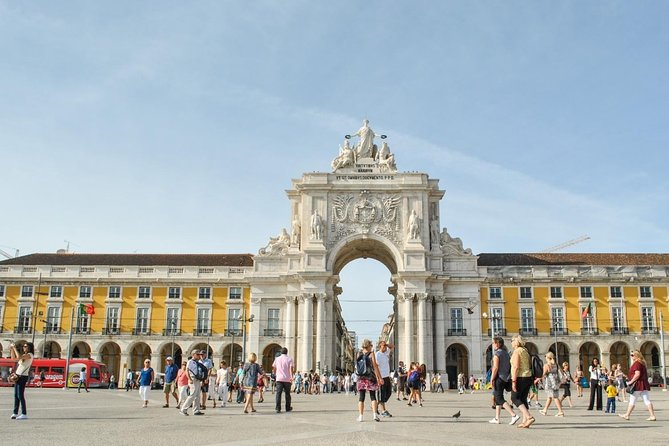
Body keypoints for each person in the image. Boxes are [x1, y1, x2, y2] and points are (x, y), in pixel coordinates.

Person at [488, 337, 520, 425]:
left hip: (499, 378)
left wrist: (491, 379)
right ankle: (497, 418)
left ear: (497, 344)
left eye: (494, 343)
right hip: (506, 377)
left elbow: (495, 368)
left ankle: (513, 415)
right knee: (498, 397)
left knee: (499, 398)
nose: (493, 345)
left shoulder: (497, 354)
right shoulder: (506, 353)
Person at [619, 350, 656, 421]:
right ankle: (652, 415)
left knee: (632, 400)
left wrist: (630, 382)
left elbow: (637, 374)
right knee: (647, 400)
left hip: (637, 385)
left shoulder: (637, 363)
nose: (631, 356)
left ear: (636, 356)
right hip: (643, 384)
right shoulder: (642, 363)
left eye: (632, 355)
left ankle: (627, 415)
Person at [510, 335, 535, 428]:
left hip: (520, 377)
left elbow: (516, 367)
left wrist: (513, 381)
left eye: (512, 341)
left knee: (514, 398)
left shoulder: (517, 352)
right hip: (528, 377)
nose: (511, 343)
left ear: (516, 342)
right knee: (523, 399)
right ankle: (525, 422)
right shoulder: (525, 351)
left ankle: (529, 417)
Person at [356, 339, 383, 422]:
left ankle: (360, 417)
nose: (372, 347)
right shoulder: (371, 354)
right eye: (371, 346)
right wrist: (380, 377)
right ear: (369, 346)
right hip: (370, 378)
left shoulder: (358, 353)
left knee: (361, 398)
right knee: (373, 396)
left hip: (361, 378)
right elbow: (375, 367)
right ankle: (375, 415)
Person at [10, 342, 33, 420]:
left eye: (25, 346)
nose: (24, 347)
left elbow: (19, 356)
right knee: (16, 395)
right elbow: (13, 359)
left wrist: (15, 348)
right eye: (23, 346)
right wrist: (12, 349)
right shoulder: (24, 356)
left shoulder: (30, 355)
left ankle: (24, 413)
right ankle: (15, 413)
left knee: (20, 395)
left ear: (29, 347)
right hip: (18, 376)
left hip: (23, 377)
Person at [538, 352, 565, 417]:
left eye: (546, 357)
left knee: (555, 397)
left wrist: (538, 379)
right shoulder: (556, 364)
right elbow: (561, 372)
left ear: (547, 358)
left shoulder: (547, 365)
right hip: (556, 382)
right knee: (549, 396)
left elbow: (544, 374)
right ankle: (545, 410)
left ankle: (560, 412)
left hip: (550, 383)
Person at [180, 349, 205, 416]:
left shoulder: (198, 362)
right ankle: (183, 409)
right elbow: (187, 371)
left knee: (197, 395)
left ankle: (196, 410)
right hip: (192, 379)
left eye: (199, 354)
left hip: (198, 379)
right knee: (192, 395)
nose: (199, 355)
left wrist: (202, 379)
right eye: (197, 354)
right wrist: (189, 379)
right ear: (193, 355)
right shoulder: (190, 362)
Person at [272, 346, 295, 413]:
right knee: (287, 394)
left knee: (278, 394)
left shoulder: (277, 359)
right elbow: (291, 369)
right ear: (287, 352)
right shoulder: (290, 359)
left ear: (280, 352)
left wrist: (275, 374)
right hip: (287, 379)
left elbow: (274, 368)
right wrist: (292, 377)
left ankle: (278, 408)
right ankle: (288, 408)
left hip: (279, 379)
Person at [374, 340, 394, 418]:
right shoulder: (377, 355)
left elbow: (392, 347)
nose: (385, 347)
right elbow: (375, 368)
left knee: (388, 393)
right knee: (382, 394)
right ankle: (383, 411)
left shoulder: (386, 353)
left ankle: (375, 405)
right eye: (383, 346)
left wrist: (386, 344)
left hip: (387, 377)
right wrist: (378, 378)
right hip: (381, 377)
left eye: (385, 346)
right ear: (380, 346)